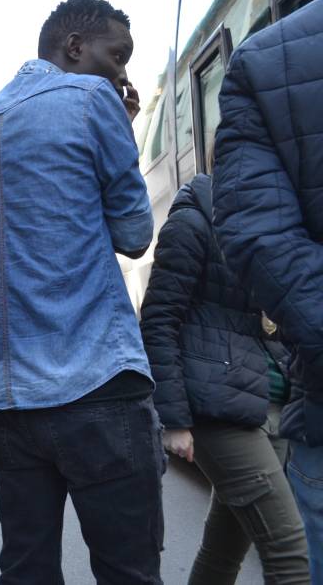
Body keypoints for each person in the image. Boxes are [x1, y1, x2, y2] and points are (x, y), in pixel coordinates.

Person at [0, 0, 164, 584]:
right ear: (74, 47)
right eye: (116, 54)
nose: (122, 72)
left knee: (26, 571)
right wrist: (120, 134)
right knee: (128, 571)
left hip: (11, 401)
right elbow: (133, 234)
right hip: (96, 384)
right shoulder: (93, 100)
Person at [213, 0, 323, 576]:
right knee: (271, 541)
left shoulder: (261, 69)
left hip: (264, 397)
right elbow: (165, 316)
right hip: (244, 401)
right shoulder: (198, 219)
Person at [142, 173, 309, 583]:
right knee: (290, 551)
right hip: (215, 407)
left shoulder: (265, 227)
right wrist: (176, 420)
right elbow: (158, 321)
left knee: (224, 550)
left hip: (265, 403)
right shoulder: (192, 222)